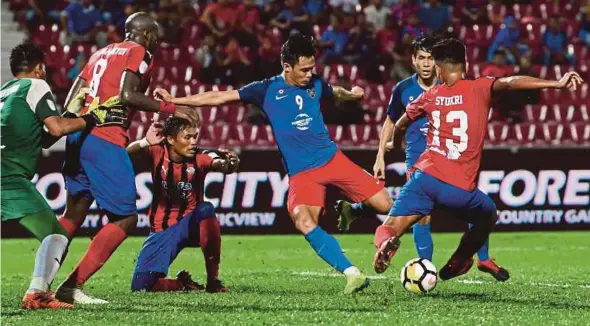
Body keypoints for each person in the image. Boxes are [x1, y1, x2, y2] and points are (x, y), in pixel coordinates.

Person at [154, 33, 394, 294]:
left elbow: (333, 90)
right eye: (303, 69)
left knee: (387, 206)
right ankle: (352, 274)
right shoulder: (266, 89)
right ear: (286, 66)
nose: (308, 74)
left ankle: (353, 210)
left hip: (332, 159)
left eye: (312, 68)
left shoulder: (314, 82)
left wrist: (351, 94)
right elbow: (220, 97)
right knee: (303, 220)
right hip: (303, 173)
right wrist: (175, 101)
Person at [372, 38, 583, 281]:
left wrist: (394, 144)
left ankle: (386, 243)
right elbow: (511, 82)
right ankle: (461, 258)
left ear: (438, 69)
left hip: (424, 178)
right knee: (488, 215)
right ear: (466, 64)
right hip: (458, 187)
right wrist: (555, 83)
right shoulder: (479, 88)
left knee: (390, 226)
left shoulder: (430, 96)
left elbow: (399, 125)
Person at [337, 35, 510, 282]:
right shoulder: (404, 89)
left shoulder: (453, 87)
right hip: (420, 160)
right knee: (426, 215)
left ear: (437, 62)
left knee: (470, 205)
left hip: (450, 158)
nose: (426, 64)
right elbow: (392, 122)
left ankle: (483, 258)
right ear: (413, 61)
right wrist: (380, 156)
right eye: (421, 59)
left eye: (430, 59)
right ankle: (425, 267)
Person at [54, 12, 194, 305]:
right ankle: (71, 286)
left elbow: (71, 100)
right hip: (105, 137)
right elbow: (128, 96)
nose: (157, 41)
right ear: (147, 35)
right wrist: (170, 109)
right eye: (155, 35)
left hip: (78, 135)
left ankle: (38, 285)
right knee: (125, 217)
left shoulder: (100, 53)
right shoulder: (139, 51)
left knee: (72, 215)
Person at [0, 43, 123, 310]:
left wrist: (70, 113)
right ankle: (37, 294)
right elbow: (56, 128)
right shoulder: (35, 86)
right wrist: (93, 118)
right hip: (7, 176)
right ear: (39, 68)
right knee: (55, 235)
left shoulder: (4, 91)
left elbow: (44, 138)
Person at [128, 116, 238, 293]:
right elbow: (127, 153)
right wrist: (143, 142)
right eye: (187, 137)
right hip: (162, 228)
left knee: (205, 209)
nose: (193, 142)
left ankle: (213, 280)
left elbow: (220, 164)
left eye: (195, 137)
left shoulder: (200, 156)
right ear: (171, 139)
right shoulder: (157, 151)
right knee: (141, 287)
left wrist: (230, 164)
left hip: (191, 223)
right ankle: (182, 284)